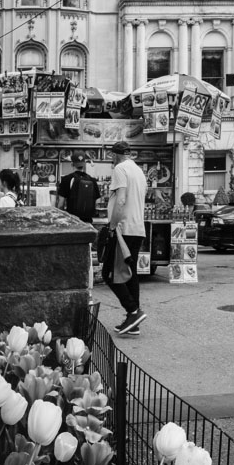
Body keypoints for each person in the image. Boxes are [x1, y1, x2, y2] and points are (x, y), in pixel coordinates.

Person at [106, 141, 148, 335]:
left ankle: (132, 311)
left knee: (110, 273)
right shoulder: (139, 171)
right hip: (137, 228)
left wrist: (113, 225)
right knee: (130, 274)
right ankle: (134, 320)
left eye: (111, 156)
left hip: (123, 229)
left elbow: (121, 199)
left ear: (115, 155)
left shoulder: (120, 169)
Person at [56, 151, 98, 223]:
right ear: (84, 164)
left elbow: (61, 204)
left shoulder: (66, 179)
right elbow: (97, 202)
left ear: (72, 164)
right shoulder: (92, 180)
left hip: (72, 221)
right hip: (88, 221)